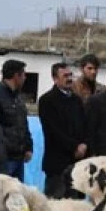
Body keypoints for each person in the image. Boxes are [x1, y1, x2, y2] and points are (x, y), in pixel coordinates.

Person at [38, 62, 88, 198]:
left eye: (70, 75)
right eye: (65, 75)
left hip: (77, 163)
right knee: (55, 204)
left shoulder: (76, 100)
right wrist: (74, 147)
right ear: (55, 78)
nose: (69, 78)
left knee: (75, 206)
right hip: (57, 163)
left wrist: (83, 144)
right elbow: (53, 131)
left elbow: (84, 125)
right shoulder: (46, 100)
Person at [0, 59, 32, 182]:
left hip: (19, 157)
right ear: (16, 76)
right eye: (23, 74)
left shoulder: (17, 98)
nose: (25, 77)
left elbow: (23, 124)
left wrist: (28, 147)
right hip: (4, 158)